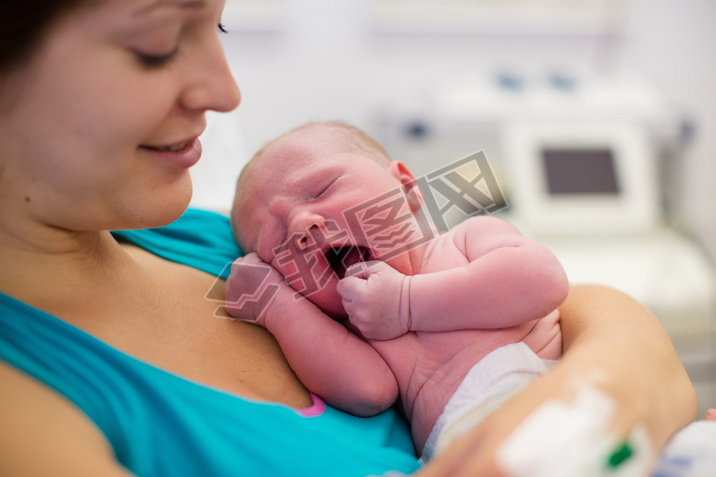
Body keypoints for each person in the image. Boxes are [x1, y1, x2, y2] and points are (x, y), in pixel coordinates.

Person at [0, 0, 697, 476]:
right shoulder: (30, 408)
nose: (225, 89)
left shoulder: (194, 237)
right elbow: (366, 386)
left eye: (222, 26)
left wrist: (612, 379)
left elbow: (562, 293)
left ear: (405, 183)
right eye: (155, 46)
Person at [227, 121, 570, 459]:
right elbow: (368, 392)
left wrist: (407, 303)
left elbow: (542, 279)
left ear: (406, 186)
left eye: (322, 190)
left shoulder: (465, 240)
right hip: (464, 450)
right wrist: (277, 306)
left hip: (561, 408)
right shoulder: (358, 329)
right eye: (276, 243)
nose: (300, 225)